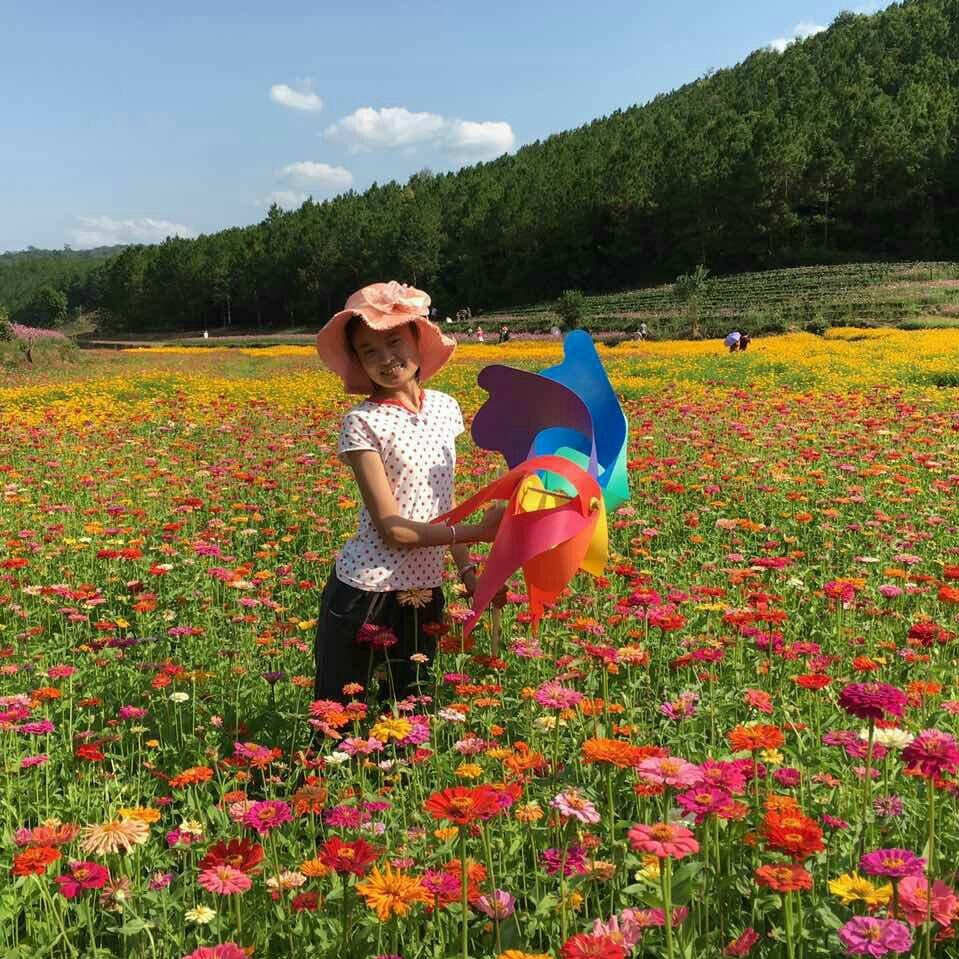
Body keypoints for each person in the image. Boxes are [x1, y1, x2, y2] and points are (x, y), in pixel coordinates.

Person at [313, 281, 506, 705]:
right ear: (358, 362)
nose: (386, 359)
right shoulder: (362, 421)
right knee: (338, 712)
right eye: (369, 351)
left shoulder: (444, 407)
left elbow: (444, 504)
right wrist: (480, 532)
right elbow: (393, 530)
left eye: (394, 342)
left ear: (418, 339)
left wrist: (469, 574)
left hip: (425, 589)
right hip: (367, 590)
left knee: (410, 706)